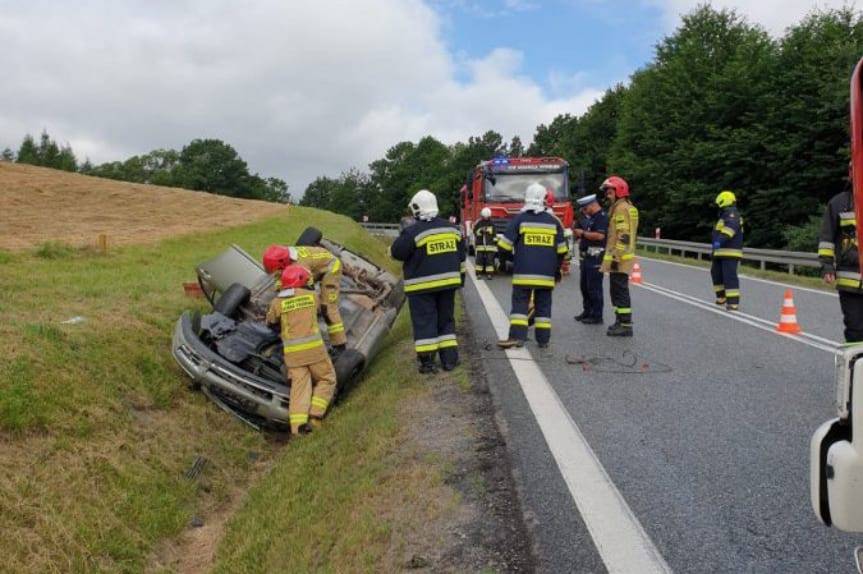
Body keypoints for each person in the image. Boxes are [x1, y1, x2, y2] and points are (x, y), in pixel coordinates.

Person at [391, 189, 466, 373]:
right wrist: (460, 280)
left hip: (421, 287)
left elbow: (397, 252)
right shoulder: (453, 229)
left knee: (425, 322)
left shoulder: (413, 232)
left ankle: (427, 364)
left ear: (417, 209)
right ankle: (450, 360)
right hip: (448, 284)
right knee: (446, 321)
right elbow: (461, 258)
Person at [266, 264, 337, 435]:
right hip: (315, 352)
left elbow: (270, 323)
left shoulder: (277, 302)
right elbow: (324, 311)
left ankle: (298, 429)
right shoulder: (312, 296)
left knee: (299, 390)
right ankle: (315, 417)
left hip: (293, 356)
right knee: (327, 379)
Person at [496, 182, 568, 349]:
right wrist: (555, 270)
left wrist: (509, 261)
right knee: (543, 307)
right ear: (544, 199)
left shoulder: (519, 220)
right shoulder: (553, 222)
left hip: (523, 274)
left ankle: (517, 338)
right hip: (547, 275)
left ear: (526, 199)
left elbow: (504, 246)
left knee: (520, 306)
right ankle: (543, 341)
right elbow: (562, 250)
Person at [263, 243, 347, 352]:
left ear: (283, 264)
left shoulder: (301, 266)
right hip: (315, 265)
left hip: (331, 268)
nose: (274, 273)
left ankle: (339, 345)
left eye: (275, 270)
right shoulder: (284, 256)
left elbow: (306, 292)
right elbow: (282, 280)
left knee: (327, 307)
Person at [819, 173, 863, 342]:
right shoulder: (838, 203)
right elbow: (826, 239)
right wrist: (827, 266)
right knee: (856, 330)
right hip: (850, 281)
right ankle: (855, 366)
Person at [600, 176, 638, 337]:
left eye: (609, 192)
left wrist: (616, 257)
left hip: (620, 259)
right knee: (615, 290)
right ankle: (620, 321)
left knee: (620, 291)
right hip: (622, 257)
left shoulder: (621, 209)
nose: (607, 195)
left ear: (619, 191)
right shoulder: (625, 207)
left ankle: (625, 325)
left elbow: (624, 235)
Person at [573, 194, 608, 325]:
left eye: (585, 208)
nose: (584, 212)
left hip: (596, 255)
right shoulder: (592, 217)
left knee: (594, 287)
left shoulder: (601, 217)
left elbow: (599, 236)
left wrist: (582, 233)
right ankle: (587, 311)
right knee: (585, 286)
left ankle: (597, 315)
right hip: (587, 255)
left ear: (593, 205)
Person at [711, 190, 744, 311]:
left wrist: (720, 241)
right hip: (720, 252)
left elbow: (730, 229)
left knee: (729, 276)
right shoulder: (724, 215)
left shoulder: (732, 214)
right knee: (716, 273)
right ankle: (721, 297)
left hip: (730, 251)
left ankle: (733, 302)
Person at [473, 207, 497, 279]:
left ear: (489, 216)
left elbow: (494, 234)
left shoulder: (492, 224)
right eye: (484, 217)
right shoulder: (479, 223)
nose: (485, 218)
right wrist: (480, 231)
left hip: (490, 245)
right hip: (480, 245)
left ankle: (489, 274)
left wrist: (495, 244)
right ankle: (478, 273)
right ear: (482, 216)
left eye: (487, 217)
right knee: (479, 259)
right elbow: (475, 232)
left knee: (490, 260)